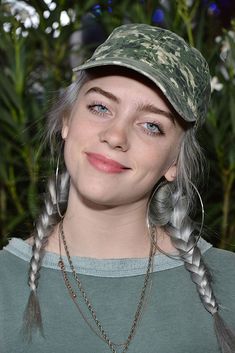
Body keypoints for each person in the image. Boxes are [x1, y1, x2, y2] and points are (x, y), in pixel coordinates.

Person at [0, 23, 235, 353]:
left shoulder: (229, 285)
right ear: (67, 120)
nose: (115, 135)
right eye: (100, 107)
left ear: (175, 163)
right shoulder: (5, 283)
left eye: (152, 125)